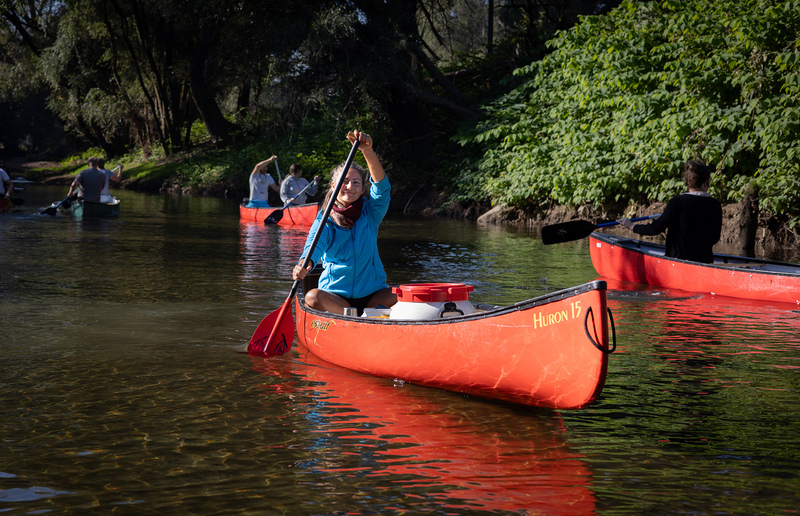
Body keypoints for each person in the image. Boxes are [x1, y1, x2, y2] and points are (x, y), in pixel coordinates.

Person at [292, 130, 396, 315]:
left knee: (407, 295)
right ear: (333, 186)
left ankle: (364, 318)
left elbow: (382, 188)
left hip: (373, 295)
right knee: (312, 297)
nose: (350, 187)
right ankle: (358, 320)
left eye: (356, 183)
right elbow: (312, 249)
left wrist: (367, 151)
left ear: (363, 188)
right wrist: (303, 265)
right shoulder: (324, 219)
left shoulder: (370, 212)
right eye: (344, 181)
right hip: (336, 298)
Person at [618, 160, 722, 263]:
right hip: (705, 262)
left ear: (687, 182)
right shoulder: (716, 205)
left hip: (676, 261)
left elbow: (655, 229)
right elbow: (715, 239)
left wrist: (632, 226)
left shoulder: (676, 203)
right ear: (706, 182)